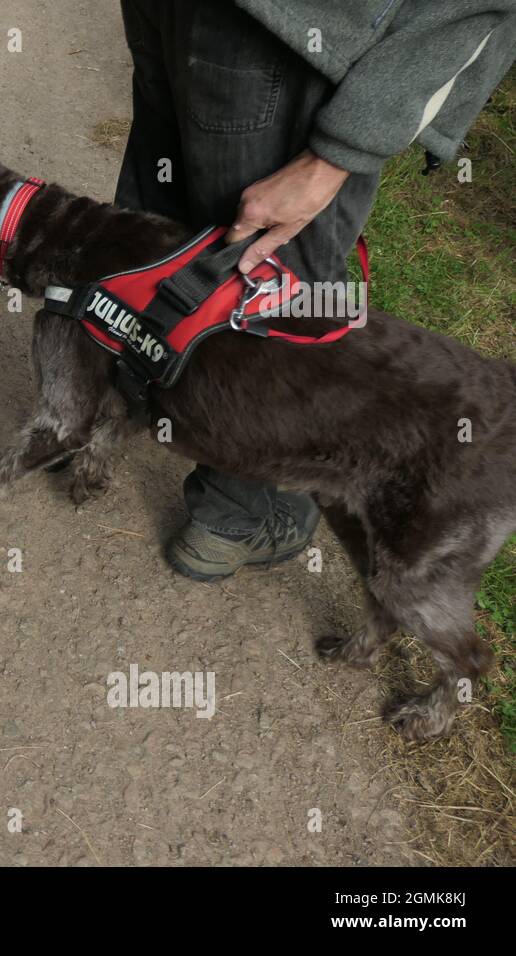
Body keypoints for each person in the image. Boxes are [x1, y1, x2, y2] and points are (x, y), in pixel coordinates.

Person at [114, 0, 515, 581]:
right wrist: (337, 155)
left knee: (163, 230)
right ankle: (229, 519)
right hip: (297, 34)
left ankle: (94, 417)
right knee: (275, 293)